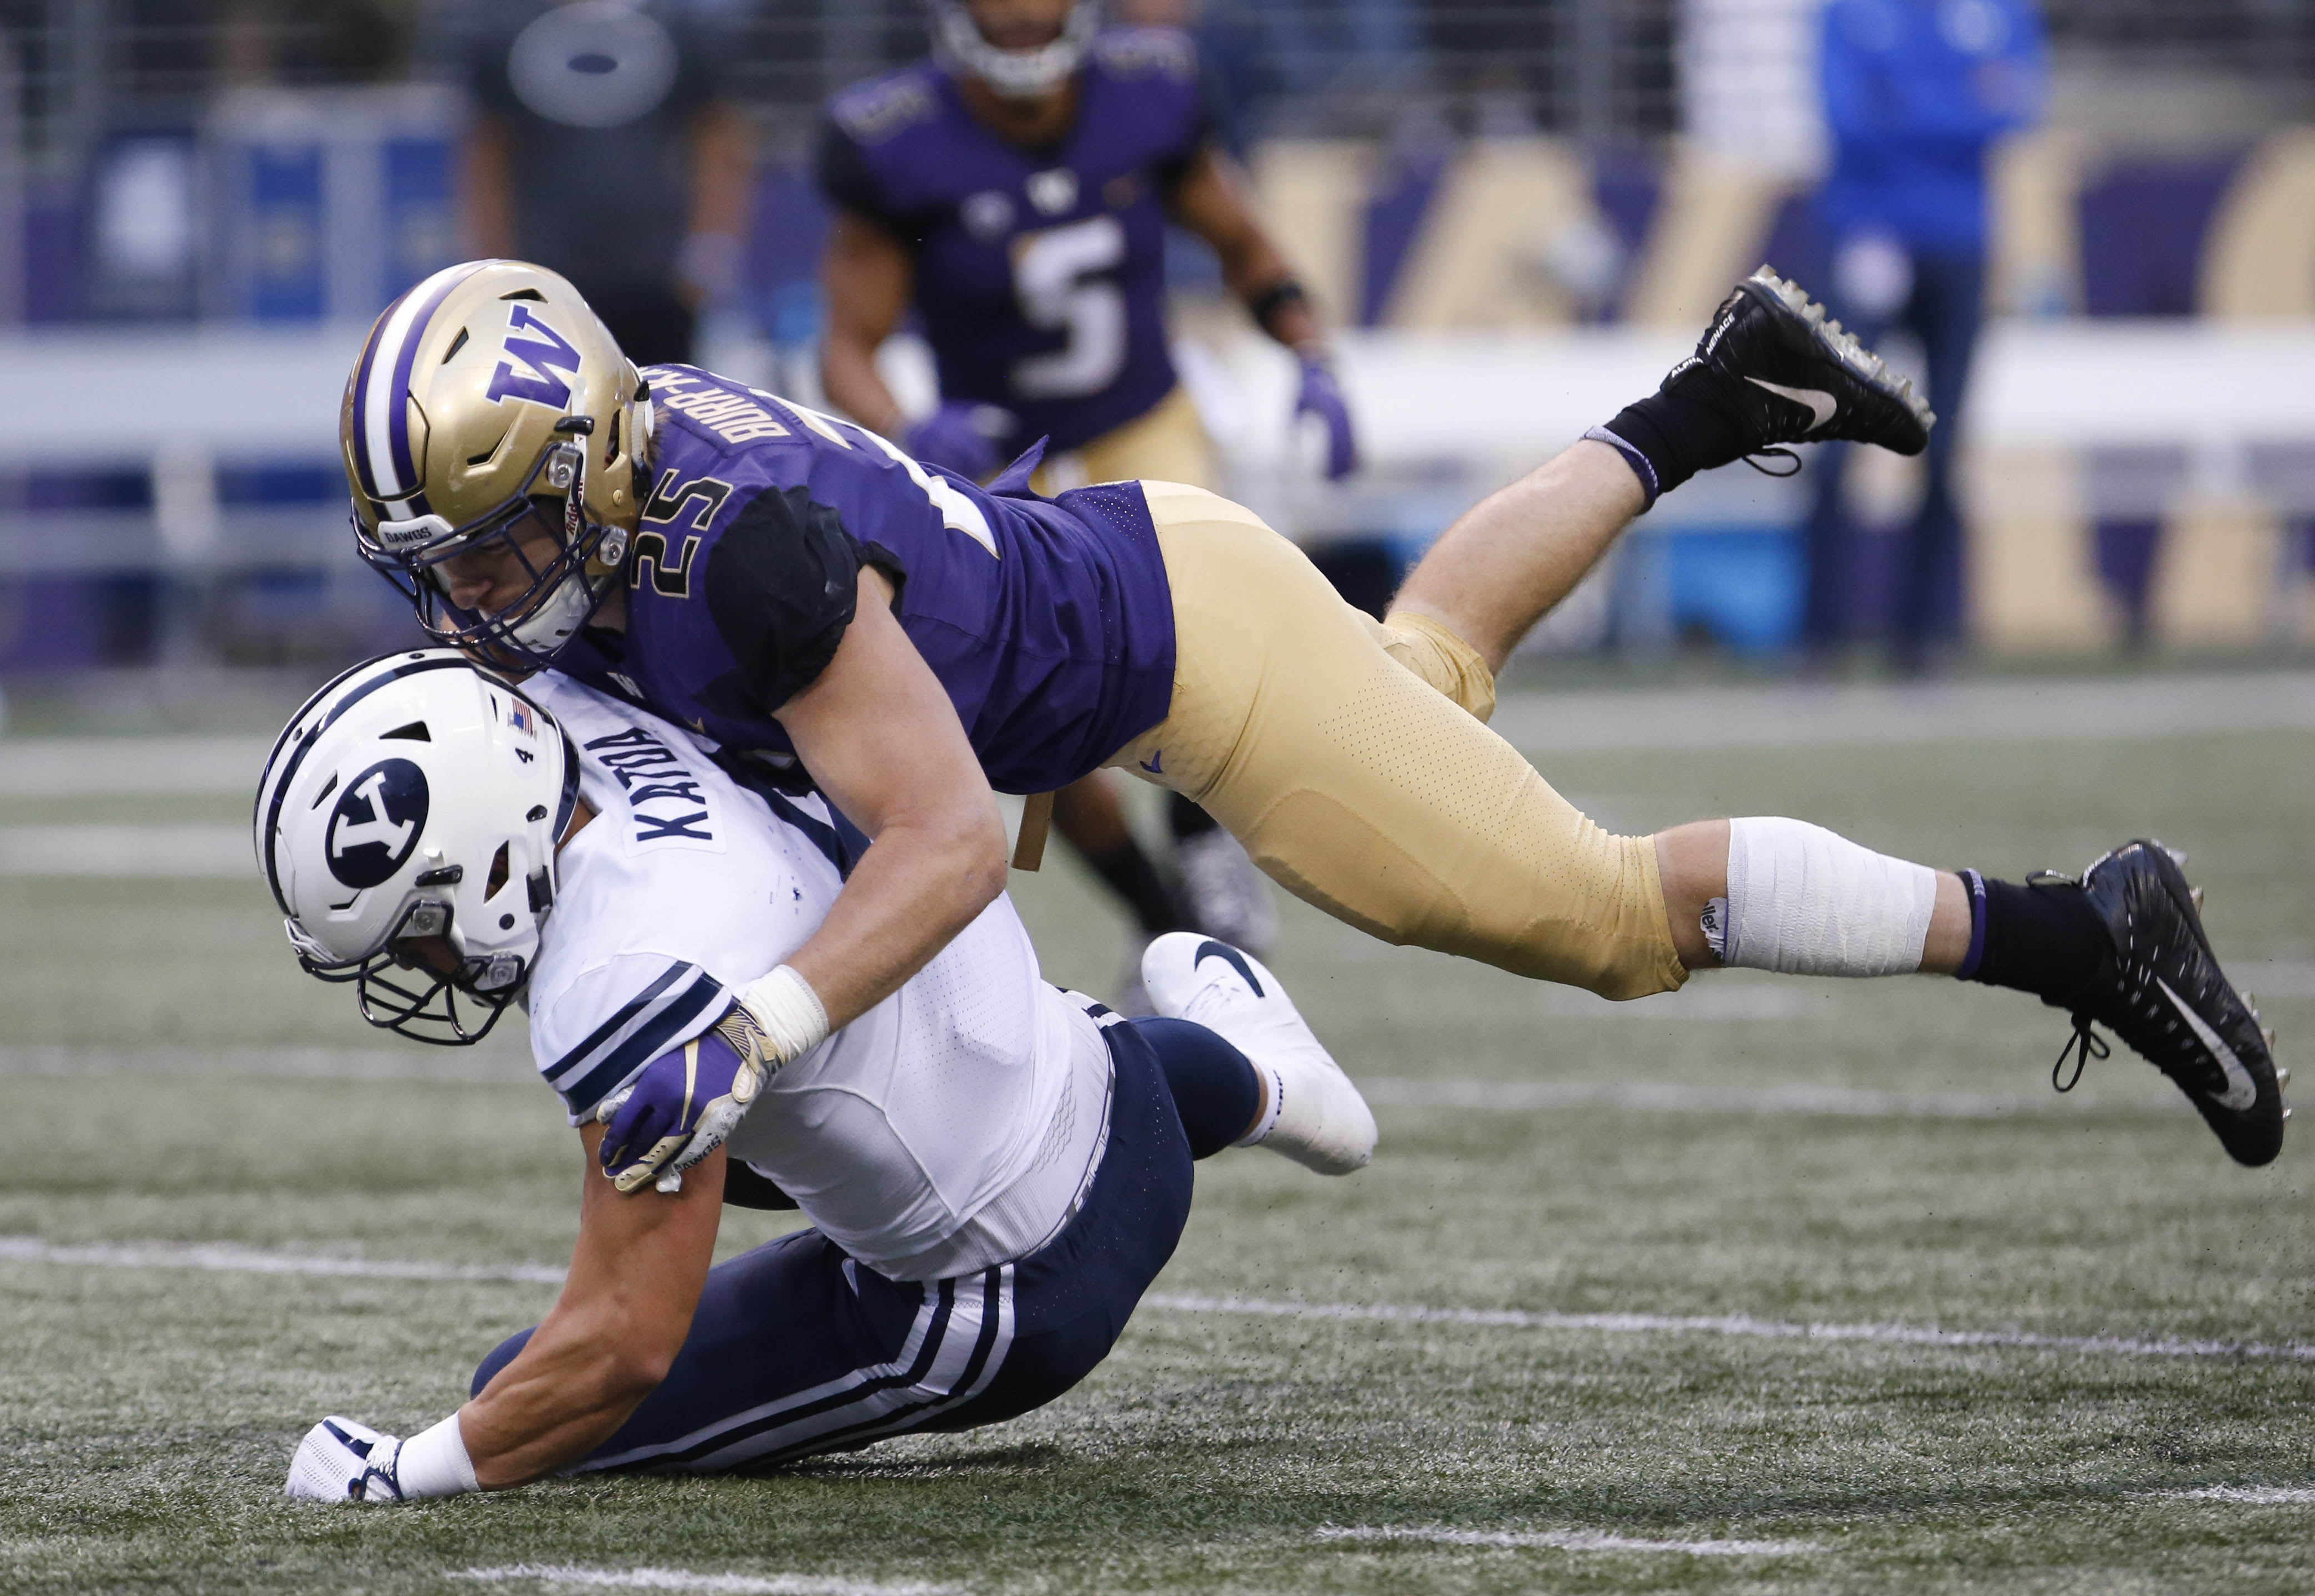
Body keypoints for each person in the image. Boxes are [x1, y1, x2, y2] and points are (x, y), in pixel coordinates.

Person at [338, 257, 2287, 1169]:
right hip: (1152, 576)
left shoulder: (722, 555)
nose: (477, 598)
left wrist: (750, 1024)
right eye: (443, 563)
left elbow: (934, 843)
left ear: (592, 467)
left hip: (1188, 657)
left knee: (1608, 921)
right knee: (1424, 681)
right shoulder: (634, 486)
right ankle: (1721, 398)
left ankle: (2080, 926)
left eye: (498, 549)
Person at [259, 650, 1373, 1500]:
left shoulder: (622, 969)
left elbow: (621, 1344)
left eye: (420, 934)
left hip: (1006, 1299)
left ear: (487, 858)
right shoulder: (609, 688)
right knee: (894, 1080)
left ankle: (1251, 1083)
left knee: (521, 1393)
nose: (425, 966)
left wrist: (408, 1472)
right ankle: (1260, 1078)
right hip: (1104, 1069)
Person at [816, 0, 1358, 960]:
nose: (1024, 29)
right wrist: (907, 430)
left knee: (1207, 639)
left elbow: (1242, 242)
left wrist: (1312, 353)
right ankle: (1166, 924)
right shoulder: (894, 141)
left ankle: (1205, 851)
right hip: (999, 457)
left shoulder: (1152, 89)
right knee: (1030, 709)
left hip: (1136, 420)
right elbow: (848, 348)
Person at [1801, 0, 2046, 669]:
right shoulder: (1850, 11)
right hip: (1867, 233)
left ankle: (1921, 641)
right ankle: (1819, 639)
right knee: (1833, 439)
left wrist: (1903, 102)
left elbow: (2016, 108)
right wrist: (1956, 105)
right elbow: (1847, 116)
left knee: (1947, 445)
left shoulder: (1998, 11)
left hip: (1960, 244)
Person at [426, 0, 754, 366]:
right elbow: (488, 152)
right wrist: (492, 266)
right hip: (545, 275)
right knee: (553, 416)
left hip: (657, 274)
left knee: (660, 409)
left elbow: (716, 138)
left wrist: (710, 247)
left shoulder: (680, 24)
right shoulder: (505, 26)